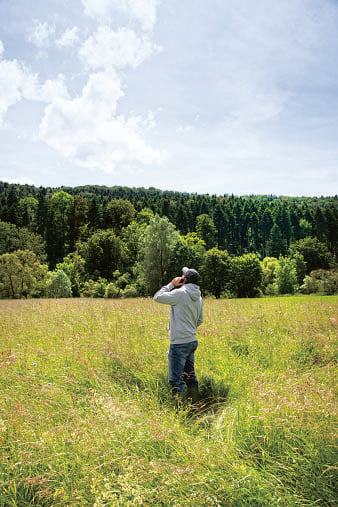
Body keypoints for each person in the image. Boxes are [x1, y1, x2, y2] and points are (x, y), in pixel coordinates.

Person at [153, 267, 203, 403]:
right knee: (190, 376)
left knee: (176, 380)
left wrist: (171, 285)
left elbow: (157, 297)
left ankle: (181, 412)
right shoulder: (198, 297)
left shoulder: (179, 293)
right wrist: (188, 329)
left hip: (179, 342)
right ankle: (196, 405)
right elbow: (200, 320)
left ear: (184, 279)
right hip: (192, 341)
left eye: (182, 275)